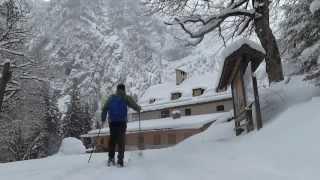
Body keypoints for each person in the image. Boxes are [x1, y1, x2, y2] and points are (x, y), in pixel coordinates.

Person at [101, 84, 141, 167]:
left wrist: (103, 118)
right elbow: (134, 105)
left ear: (117, 89)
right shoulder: (126, 97)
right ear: (124, 89)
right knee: (121, 141)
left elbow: (105, 108)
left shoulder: (111, 98)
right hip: (122, 122)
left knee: (112, 140)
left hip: (112, 123)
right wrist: (138, 108)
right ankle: (120, 161)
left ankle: (111, 159)